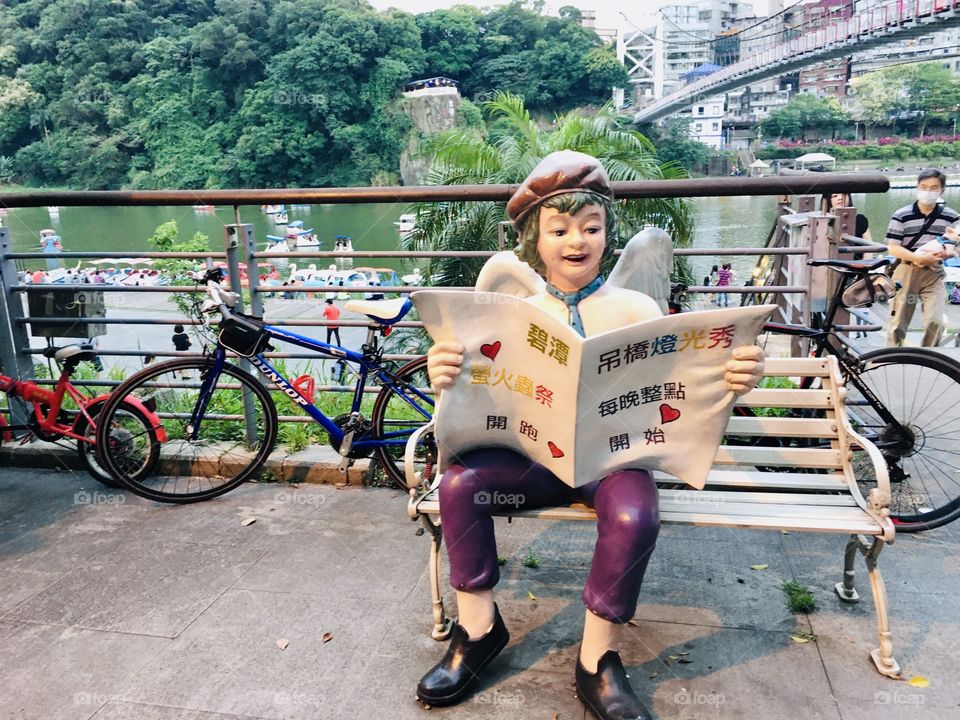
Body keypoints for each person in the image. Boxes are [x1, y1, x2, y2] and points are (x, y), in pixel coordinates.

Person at [418, 151, 765, 719]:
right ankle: (478, 632)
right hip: (534, 461)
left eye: (591, 227)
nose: (576, 241)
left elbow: (682, 384)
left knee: (635, 516)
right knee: (461, 487)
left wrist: (735, 378)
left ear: (607, 232)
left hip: (615, 463)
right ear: (536, 239)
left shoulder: (636, 306)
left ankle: (596, 658)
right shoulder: (514, 313)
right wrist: (446, 375)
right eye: (559, 229)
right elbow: (478, 398)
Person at [885, 169, 959, 347]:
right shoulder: (902, 215)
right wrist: (917, 258)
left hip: (934, 273)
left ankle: (927, 356)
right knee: (898, 323)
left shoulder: (951, 216)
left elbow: (957, 247)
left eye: (934, 187)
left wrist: (949, 251)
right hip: (905, 271)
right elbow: (893, 247)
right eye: (924, 187)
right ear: (917, 187)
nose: (928, 191)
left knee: (936, 321)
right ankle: (893, 357)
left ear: (942, 190)